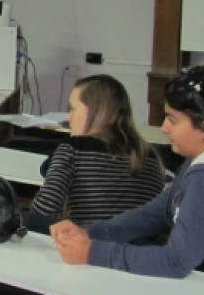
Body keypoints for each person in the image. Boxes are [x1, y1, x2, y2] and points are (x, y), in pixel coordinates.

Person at [52, 65, 204, 279]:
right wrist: (89, 233)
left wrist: (93, 252)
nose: (164, 127)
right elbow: (158, 213)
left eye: (172, 119)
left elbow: (175, 261)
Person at [26, 74, 165, 234]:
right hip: (139, 254)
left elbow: (42, 212)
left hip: (91, 250)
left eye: (73, 108)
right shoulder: (150, 156)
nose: (68, 117)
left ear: (93, 111)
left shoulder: (74, 149)